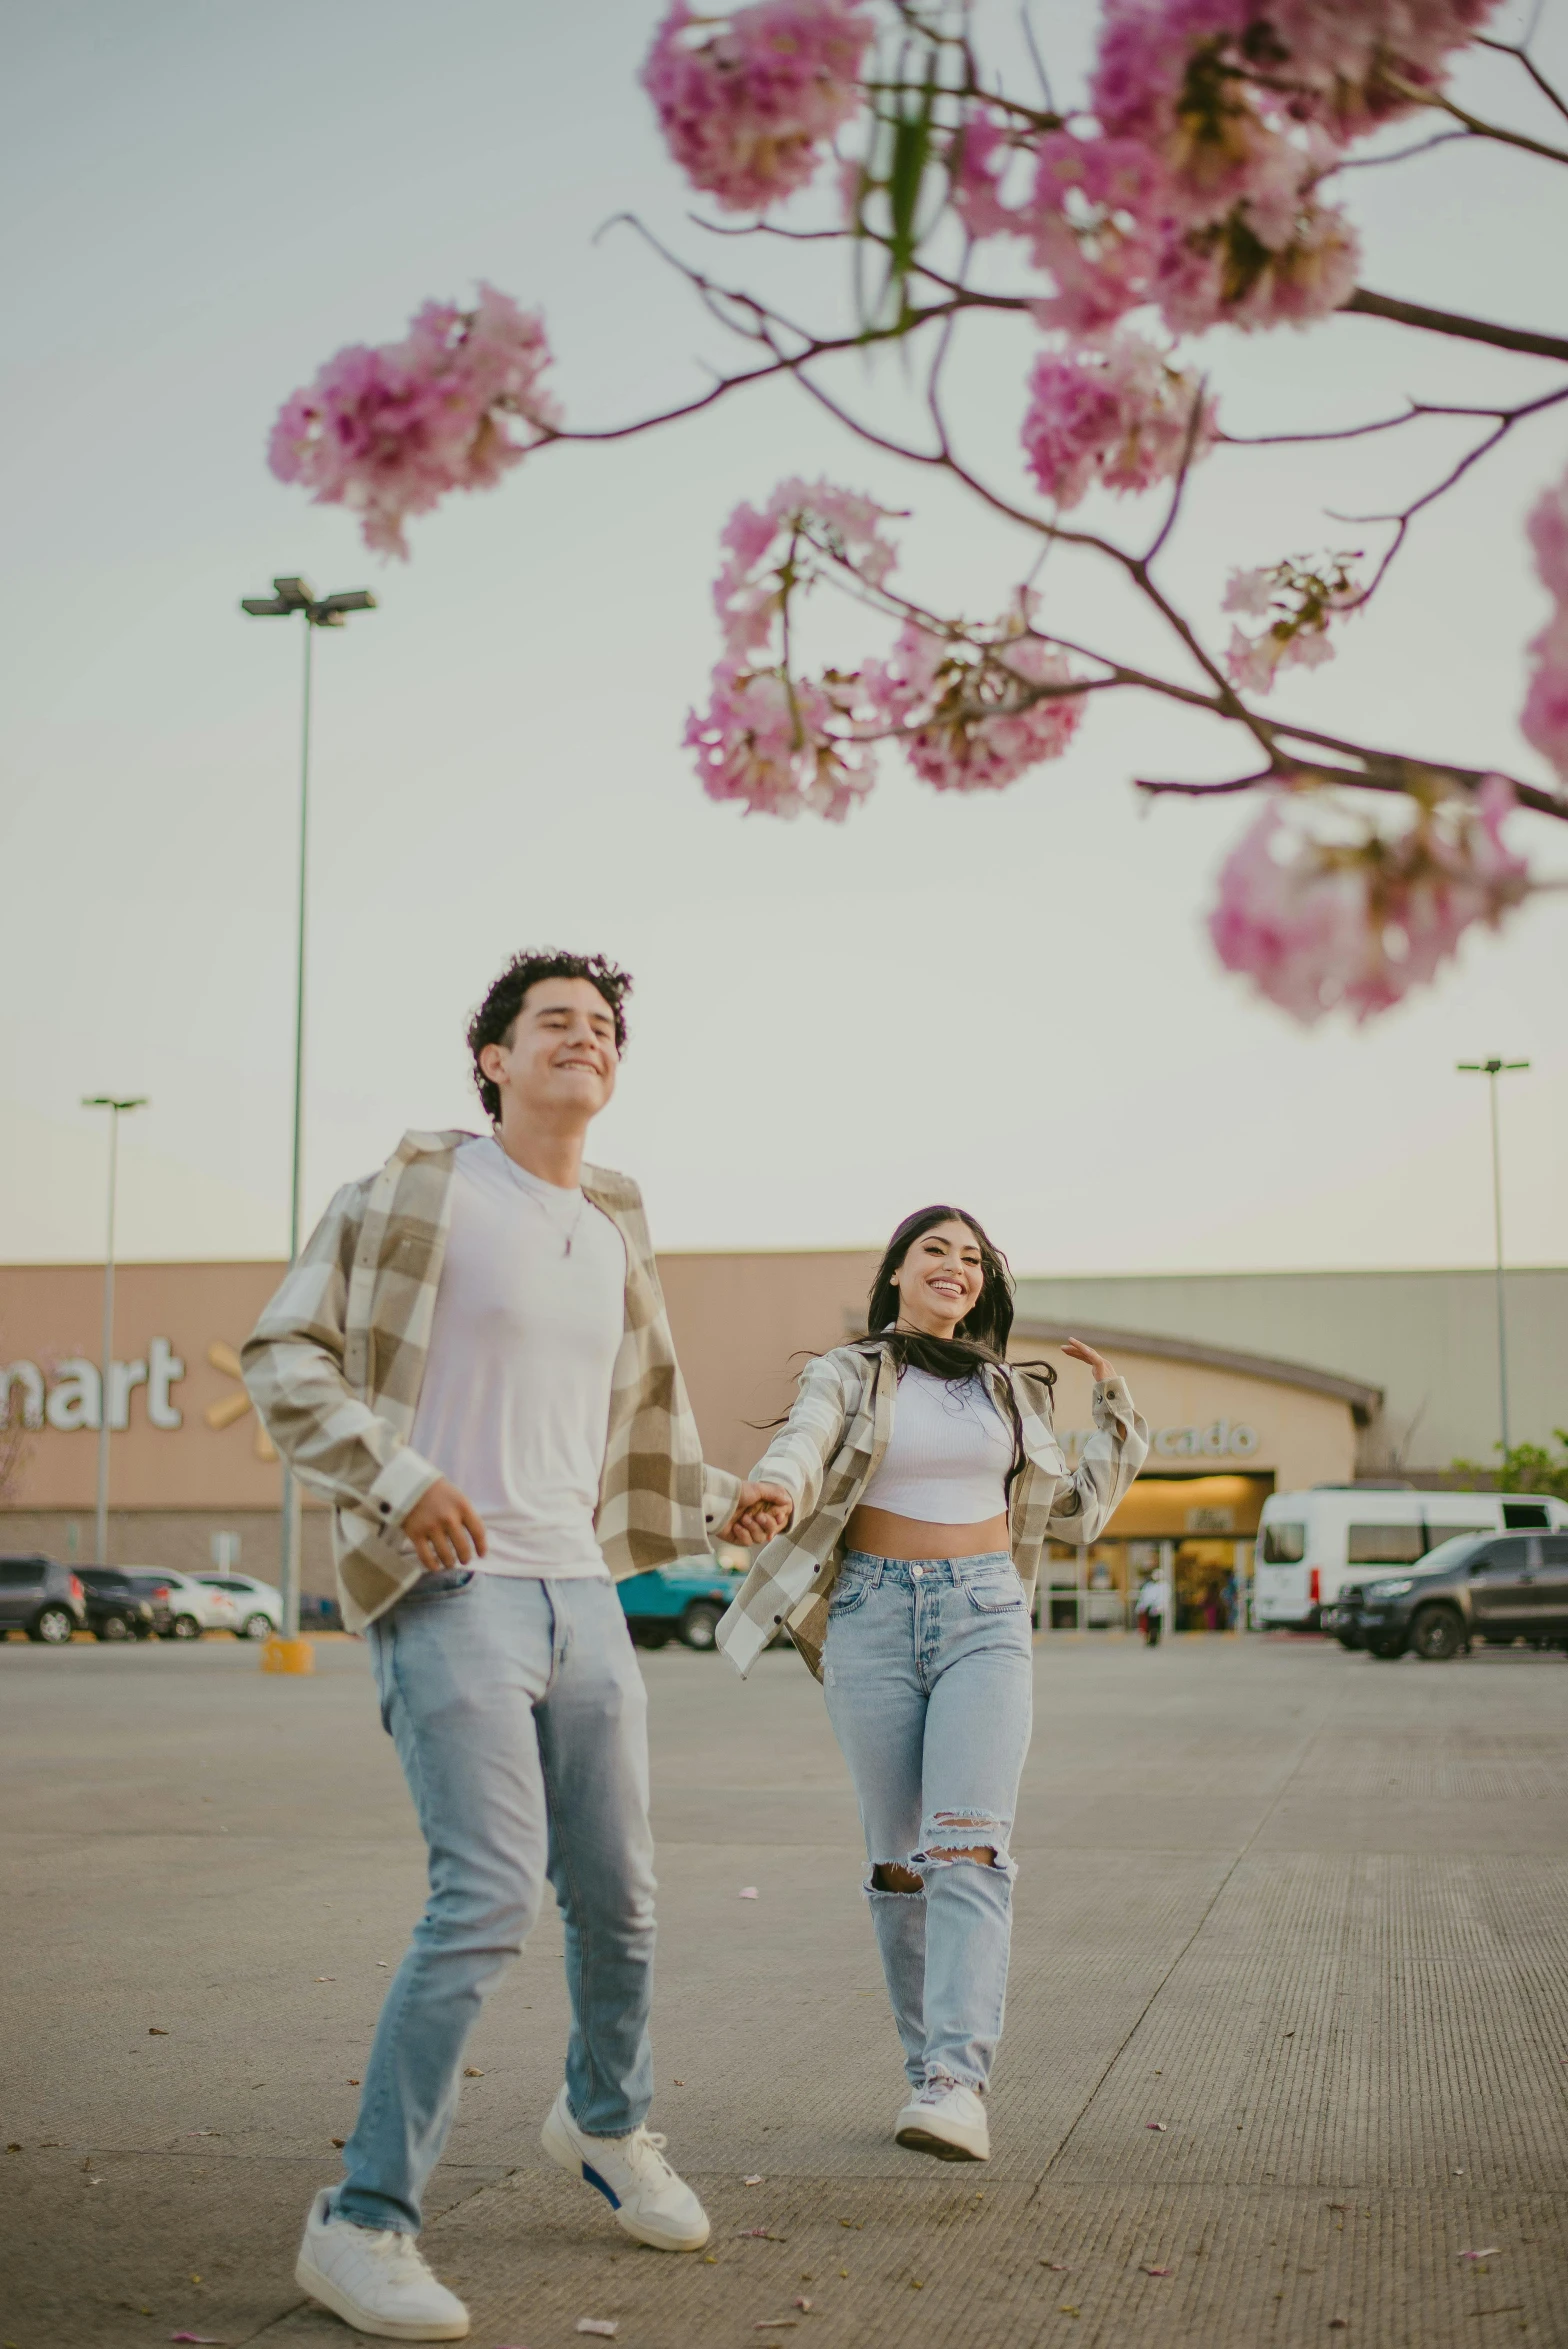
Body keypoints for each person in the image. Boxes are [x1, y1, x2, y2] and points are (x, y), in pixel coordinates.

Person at [242, 949, 782, 2343]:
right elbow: (284, 1355)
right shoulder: (411, 1191)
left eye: (603, 1027)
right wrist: (396, 1471)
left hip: (581, 1590)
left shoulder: (614, 1220)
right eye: (553, 1020)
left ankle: (605, 2121)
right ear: (490, 1056)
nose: (582, 1039)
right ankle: (362, 2225)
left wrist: (727, 1502)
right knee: (483, 1899)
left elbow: (633, 1431)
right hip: (452, 1587)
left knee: (624, 1898)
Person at [716, 1207, 1148, 2163]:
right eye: (934, 1252)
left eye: (972, 1257)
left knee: (970, 1848)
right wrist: (779, 1485)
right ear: (898, 1273)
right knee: (902, 1861)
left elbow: (1074, 1511)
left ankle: (958, 2080)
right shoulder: (850, 1371)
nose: (955, 1266)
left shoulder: (1007, 1391)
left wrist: (1115, 1408)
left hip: (986, 1615)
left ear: (984, 1284)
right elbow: (806, 1436)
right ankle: (928, 2076)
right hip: (869, 1619)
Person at [1136, 1568, 1167, 1647]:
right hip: (1148, 1608)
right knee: (1147, 1625)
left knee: (1155, 1625)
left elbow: (1164, 1598)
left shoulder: (1164, 1586)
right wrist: (1141, 1606)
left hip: (1157, 1608)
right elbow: (1143, 1597)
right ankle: (1148, 1639)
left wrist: (1160, 1607)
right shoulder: (1148, 1586)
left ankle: (1155, 1639)